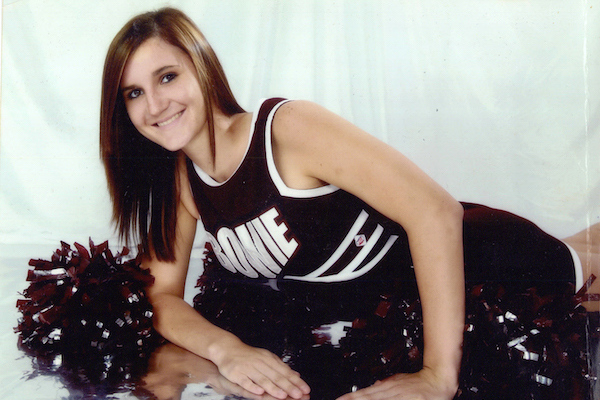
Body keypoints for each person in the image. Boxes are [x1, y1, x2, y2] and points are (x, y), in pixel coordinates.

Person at [100, 7, 597, 400]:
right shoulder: (181, 180)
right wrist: (227, 351)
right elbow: (160, 294)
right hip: (376, 312)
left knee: (589, 268)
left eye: (168, 77)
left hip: (477, 262)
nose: (154, 105)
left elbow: (435, 211)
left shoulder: (285, 129)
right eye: (133, 93)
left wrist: (437, 376)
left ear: (202, 67)